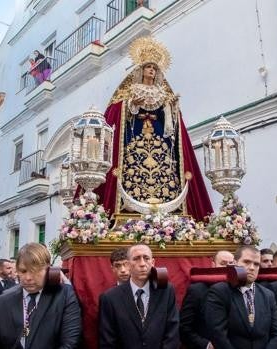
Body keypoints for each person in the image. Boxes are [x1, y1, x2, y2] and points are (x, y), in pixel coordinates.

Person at [93, 36, 212, 221]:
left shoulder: (163, 93)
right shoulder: (130, 90)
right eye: (149, 67)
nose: (152, 70)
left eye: (155, 68)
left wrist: (171, 108)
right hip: (136, 141)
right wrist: (131, 104)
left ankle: (166, 211)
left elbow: (172, 124)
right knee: (134, 171)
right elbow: (116, 112)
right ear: (141, 69)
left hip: (159, 144)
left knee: (164, 173)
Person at [0, 243, 81, 348]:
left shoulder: (64, 296)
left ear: (48, 269)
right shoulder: (1, 301)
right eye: (23, 271)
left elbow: (70, 343)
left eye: (35, 271)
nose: (28, 277)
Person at [99, 243, 179, 348]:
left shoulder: (165, 291)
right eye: (136, 259)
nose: (142, 264)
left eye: (146, 258)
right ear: (127, 264)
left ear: (153, 262)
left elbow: (172, 332)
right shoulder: (110, 298)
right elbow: (108, 341)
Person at [205, 246, 277, 349]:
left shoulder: (268, 295)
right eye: (246, 262)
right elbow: (218, 334)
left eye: (256, 264)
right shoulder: (220, 291)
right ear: (235, 263)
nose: (252, 267)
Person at [180, 250, 234, 349]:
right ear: (213, 265)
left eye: (231, 264)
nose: (227, 268)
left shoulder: (238, 290)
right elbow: (184, 328)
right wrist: (206, 345)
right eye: (223, 264)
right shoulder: (197, 290)